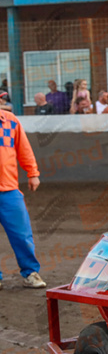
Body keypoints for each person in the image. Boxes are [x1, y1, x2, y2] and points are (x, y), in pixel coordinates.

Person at [0, 109, 46, 289]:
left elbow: (23, 148)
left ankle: (30, 272)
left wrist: (33, 173)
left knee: (22, 235)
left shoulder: (10, 121)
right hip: (9, 189)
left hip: (9, 190)